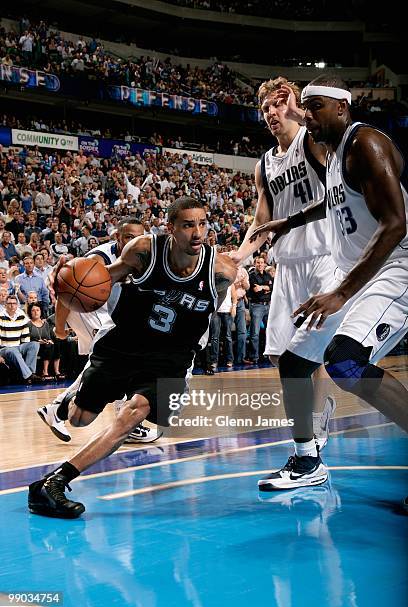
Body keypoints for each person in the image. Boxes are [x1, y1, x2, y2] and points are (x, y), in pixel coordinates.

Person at [28, 196, 237, 518]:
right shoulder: (144, 250)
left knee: (133, 414)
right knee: (80, 418)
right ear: (170, 229)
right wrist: (67, 276)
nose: (197, 232)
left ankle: (55, 481)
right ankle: (67, 401)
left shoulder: (221, 271)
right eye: (188, 225)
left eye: (203, 223)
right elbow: (100, 278)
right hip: (124, 345)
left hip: (170, 357)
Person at [250, 75, 408, 497]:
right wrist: (290, 220)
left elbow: (395, 224)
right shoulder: (339, 158)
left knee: (345, 361)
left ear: (341, 107)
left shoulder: (366, 144)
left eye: (314, 106)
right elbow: (331, 201)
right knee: (295, 363)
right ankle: (306, 459)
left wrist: (340, 292)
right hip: (358, 273)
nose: (307, 115)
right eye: (304, 106)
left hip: (395, 269)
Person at [231, 77, 337, 467]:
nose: (271, 114)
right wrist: (238, 257)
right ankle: (315, 411)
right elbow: (262, 219)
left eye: (278, 105)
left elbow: (334, 141)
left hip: (325, 256)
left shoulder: (314, 141)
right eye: (265, 109)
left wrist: (302, 113)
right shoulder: (264, 164)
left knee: (309, 354)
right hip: (288, 265)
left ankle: (313, 423)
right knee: (279, 355)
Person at [37, 217, 167, 444]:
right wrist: (59, 328)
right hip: (83, 310)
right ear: (117, 237)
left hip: (105, 314)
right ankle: (61, 409)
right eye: (128, 237)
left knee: (120, 362)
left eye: (139, 237)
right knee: (114, 358)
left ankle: (57, 409)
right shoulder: (99, 258)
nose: (134, 241)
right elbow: (67, 292)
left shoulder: (144, 254)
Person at [0, 294, 41, 383]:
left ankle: (30, 373)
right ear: (5, 305)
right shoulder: (0, 317)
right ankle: (28, 376)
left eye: (14, 303)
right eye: (9, 303)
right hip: (4, 349)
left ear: (17, 305)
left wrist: (25, 348)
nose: (12, 305)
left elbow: (25, 337)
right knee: (12, 350)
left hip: (18, 347)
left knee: (34, 344)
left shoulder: (21, 315)